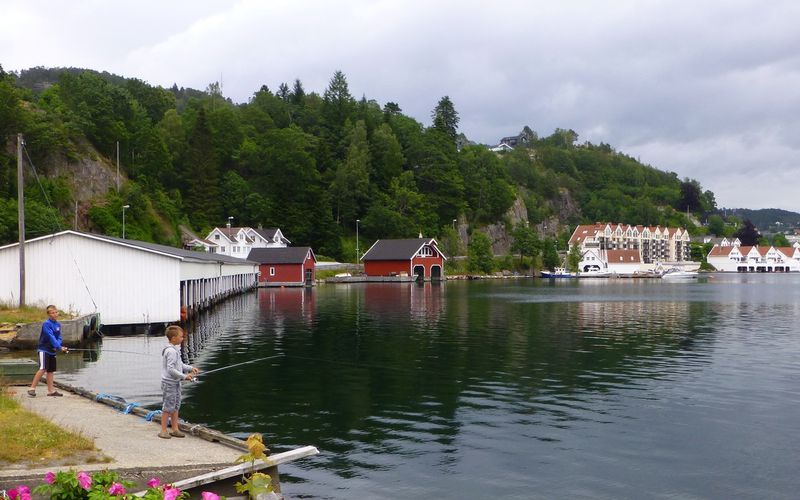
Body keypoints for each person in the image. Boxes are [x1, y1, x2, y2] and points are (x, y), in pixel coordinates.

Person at [159, 325, 199, 439]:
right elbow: (171, 369)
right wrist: (184, 377)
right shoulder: (170, 351)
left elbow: (180, 365)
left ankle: (175, 429)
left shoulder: (175, 350)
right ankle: (163, 430)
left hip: (176, 383)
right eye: (181, 337)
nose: (182, 339)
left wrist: (191, 368)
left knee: (176, 406)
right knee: (168, 406)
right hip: (169, 383)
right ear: (173, 338)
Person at [28, 305, 68, 397]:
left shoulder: (58, 325)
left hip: (52, 351)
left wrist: (58, 346)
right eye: (52, 313)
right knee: (43, 368)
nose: (55, 314)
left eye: (56, 312)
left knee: (50, 370)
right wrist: (58, 347)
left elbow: (59, 337)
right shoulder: (46, 324)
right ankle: (32, 388)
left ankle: (51, 391)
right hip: (44, 350)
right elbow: (50, 337)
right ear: (49, 314)